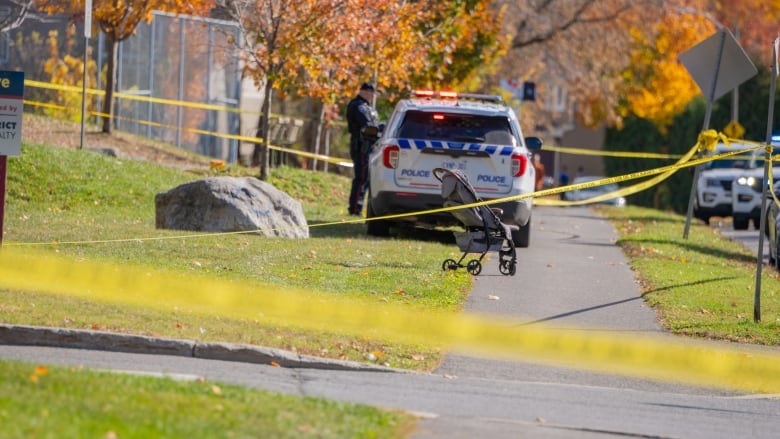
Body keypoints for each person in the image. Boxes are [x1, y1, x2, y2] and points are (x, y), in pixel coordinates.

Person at [346, 82, 380, 216]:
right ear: (365, 92)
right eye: (371, 93)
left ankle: (357, 208)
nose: (372, 97)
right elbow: (367, 125)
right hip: (361, 146)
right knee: (362, 178)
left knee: (365, 178)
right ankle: (355, 209)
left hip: (368, 145)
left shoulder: (366, 106)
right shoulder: (358, 106)